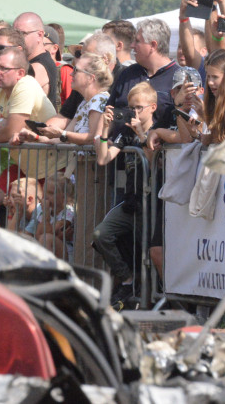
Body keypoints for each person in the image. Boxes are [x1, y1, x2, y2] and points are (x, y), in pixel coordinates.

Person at [94, 81, 159, 305]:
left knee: (147, 250)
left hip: (152, 202)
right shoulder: (124, 130)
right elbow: (103, 158)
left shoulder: (157, 129)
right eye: (131, 107)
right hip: (131, 200)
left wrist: (142, 134)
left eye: (139, 107)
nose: (134, 112)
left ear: (153, 107)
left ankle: (152, 295)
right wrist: (104, 129)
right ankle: (127, 280)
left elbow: (153, 163)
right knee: (101, 234)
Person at [14, 12, 60, 108]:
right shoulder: (31, 61)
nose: (16, 39)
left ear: (40, 35)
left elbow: (15, 95)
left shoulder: (39, 66)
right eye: (14, 34)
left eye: (22, 33)